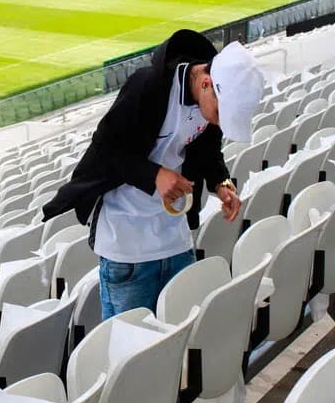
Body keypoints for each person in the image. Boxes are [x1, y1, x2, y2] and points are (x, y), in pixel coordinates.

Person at [43, 29, 264, 320]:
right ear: (207, 82)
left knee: (176, 334)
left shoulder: (210, 102)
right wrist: (154, 175)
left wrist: (221, 183)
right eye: (222, 114)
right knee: (130, 345)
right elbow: (105, 151)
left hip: (175, 235)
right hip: (126, 243)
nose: (219, 123)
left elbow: (209, 152)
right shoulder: (147, 87)